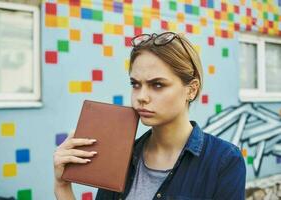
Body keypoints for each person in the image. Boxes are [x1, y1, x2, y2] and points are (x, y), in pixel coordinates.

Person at [53, 32, 246, 200]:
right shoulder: (119, 157)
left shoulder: (224, 161)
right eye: (135, 84)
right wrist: (63, 187)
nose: (141, 97)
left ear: (191, 90)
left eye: (158, 85)